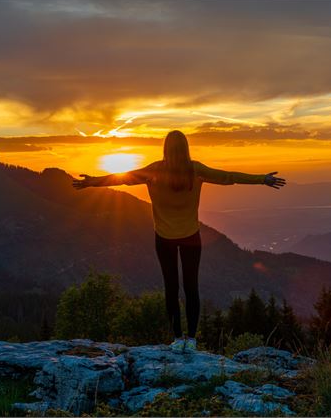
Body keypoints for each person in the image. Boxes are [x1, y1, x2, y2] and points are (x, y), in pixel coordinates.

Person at [72, 130, 286, 352]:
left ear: (165, 148)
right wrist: (262, 179)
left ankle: (176, 339)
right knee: (191, 287)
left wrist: (92, 182)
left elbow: (122, 178)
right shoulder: (195, 170)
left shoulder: (153, 170)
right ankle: (191, 339)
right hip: (191, 237)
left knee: (171, 287)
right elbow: (228, 176)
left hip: (164, 239)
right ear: (186, 148)